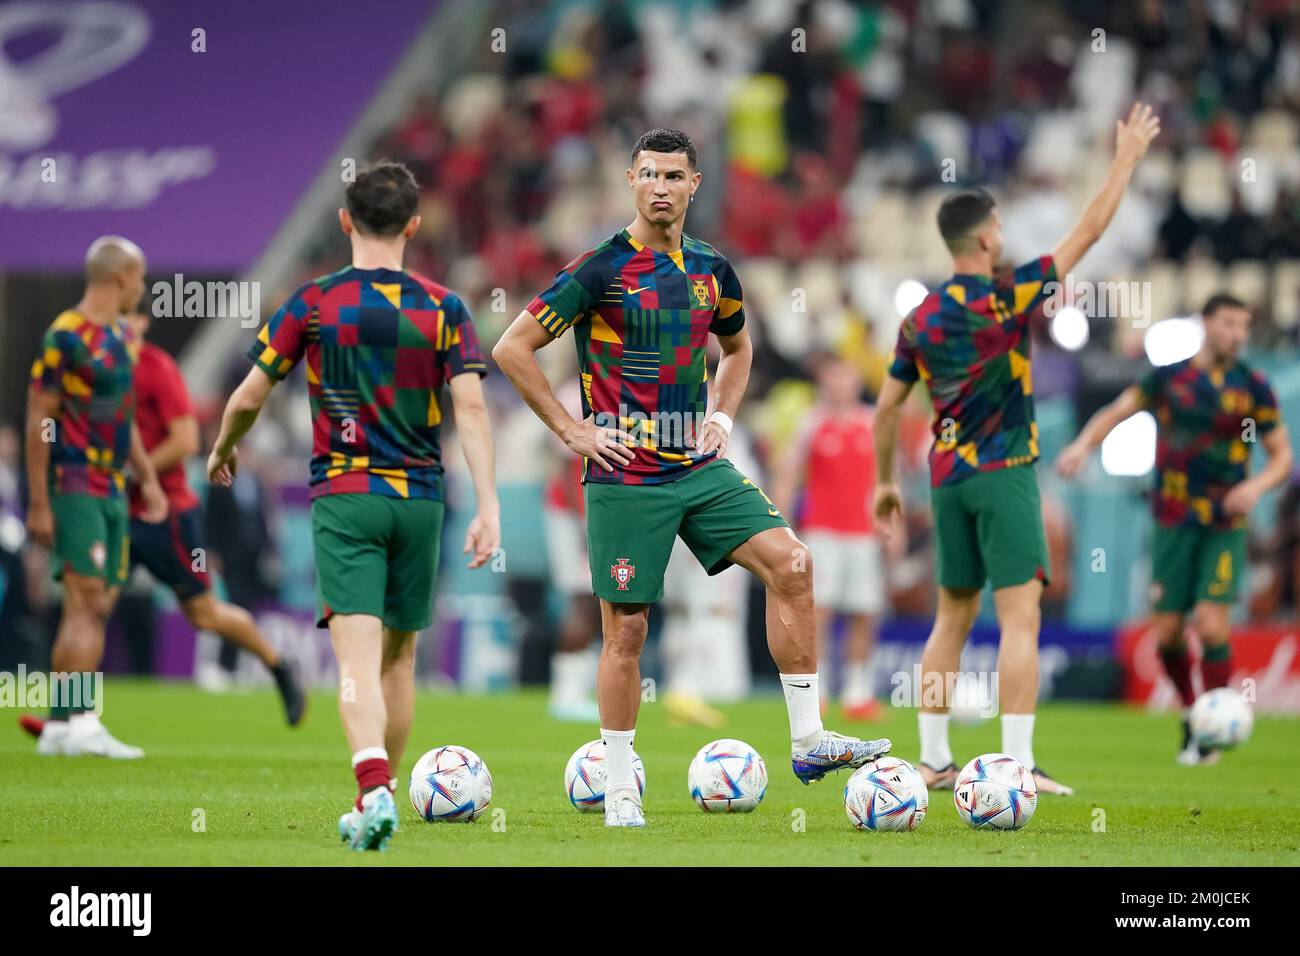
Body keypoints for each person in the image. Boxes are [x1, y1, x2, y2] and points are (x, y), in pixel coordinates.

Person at [493, 128, 890, 829]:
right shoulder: (598, 269)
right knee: (628, 631)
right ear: (631, 181)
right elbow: (512, 346)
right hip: (625, 477)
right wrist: (571, 429)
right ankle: (619, 786)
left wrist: (724, 420)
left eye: (674, 176)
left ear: (694, 185)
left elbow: (738, 350)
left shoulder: (713, 271)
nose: (661, 187)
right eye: (649, 174)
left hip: (699, 467)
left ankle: (808, 740)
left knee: (793, 565)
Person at [207, 161, 500, 851]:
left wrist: (224, 447)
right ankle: (378, 796)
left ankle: (372, 791)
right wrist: (487, 504)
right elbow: (473, 411)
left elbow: (250, 395)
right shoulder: (445, 308)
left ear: (344, 221)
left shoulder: (312, 303)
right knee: (400, 663)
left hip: (347, 497)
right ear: (414, 225)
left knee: (355, 665)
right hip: (421, 500)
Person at [874, 103, 1163, 797]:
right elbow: (1089, 232)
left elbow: (885, 407)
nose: (1004, 233)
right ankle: (1016, 766)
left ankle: (935, 761)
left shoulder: (920, 318)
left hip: (946, 478)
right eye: (999, 225)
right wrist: (1124, 159)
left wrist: (884, 483)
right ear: (984, 238)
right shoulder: (1009, 297)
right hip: (1004, 471)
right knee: (1020, 618)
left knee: (950, 617)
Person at [1057, 292, 1292, 764]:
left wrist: (1257, 486)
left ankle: (1212, 731)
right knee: (1166, 633)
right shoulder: (1169, 379)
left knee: (1210, 624)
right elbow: (1117, 411)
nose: (1237, 335)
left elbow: (1282, 455)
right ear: (1206, 324)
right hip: (1172, 519)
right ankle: (1192, 713)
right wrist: (1083, 445)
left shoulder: (1253, 386)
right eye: (1229, 323)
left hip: (1225, 520)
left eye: (1244, 326)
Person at [24, 236, 167, 758]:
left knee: (95, 604)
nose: (143, 287)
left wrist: (147, 477)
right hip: (77, 481)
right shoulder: (67, 336)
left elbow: (120, 418)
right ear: (120, 277)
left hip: (112, 484)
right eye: (140, 276)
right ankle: (84, 721)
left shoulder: (119, 340)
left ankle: (60, 725)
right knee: (85, 604)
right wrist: (40, 500)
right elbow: (40, 416)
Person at [772, 355, 885, 720]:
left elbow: (884, 478)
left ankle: (857, 693)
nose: (840, 385)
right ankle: (816, 691)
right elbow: (790, 472)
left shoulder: (871, 423)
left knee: (864, 613)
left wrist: (890, 525)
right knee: (818, 612)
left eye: (846, 377)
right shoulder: (812, 423)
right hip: (821, 530)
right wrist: (780, 523)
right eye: (834, 378)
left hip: (862, 532)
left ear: (855, 382)